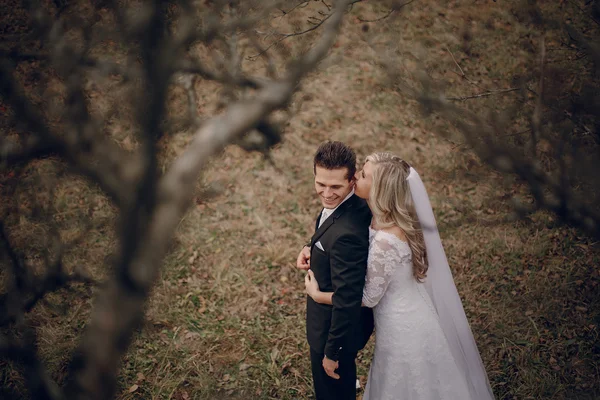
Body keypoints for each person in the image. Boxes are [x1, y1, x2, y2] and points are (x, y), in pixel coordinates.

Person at [305, 153, 495, 400]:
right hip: (400, 314)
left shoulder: (387, 240)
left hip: (403, 324)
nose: (355, 178)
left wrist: (318, 295)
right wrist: (310, 247)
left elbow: (368, 297)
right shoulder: (375, 213)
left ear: (379, 189)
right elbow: (334, 227)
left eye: (362, 176)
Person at [296, 141, 374, 400]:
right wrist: (311, 246)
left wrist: (333, 353)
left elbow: (348, 298)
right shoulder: (345, 203)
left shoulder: (348, 234)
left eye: (335, 186)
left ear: (352, 180)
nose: (327, 194)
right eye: (321, 184)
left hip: (333, 333)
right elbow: (328, 225)